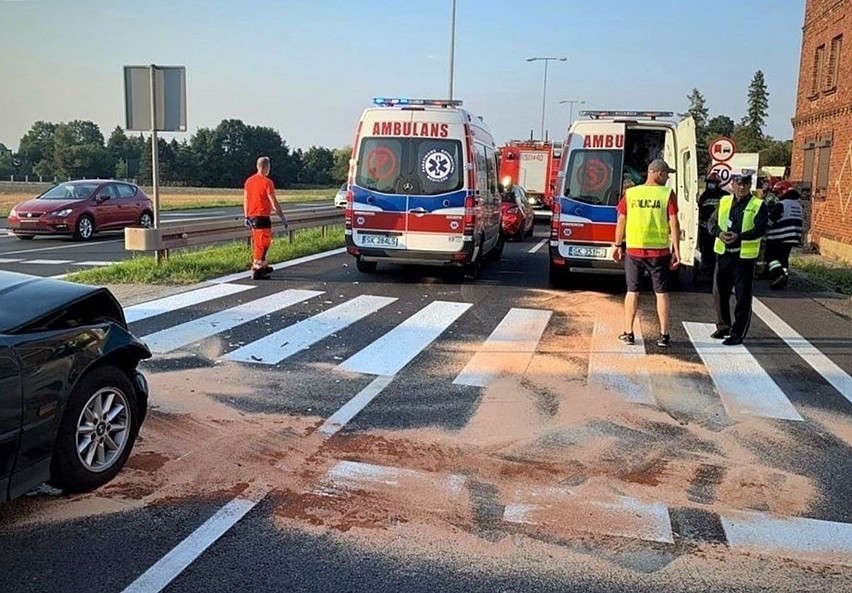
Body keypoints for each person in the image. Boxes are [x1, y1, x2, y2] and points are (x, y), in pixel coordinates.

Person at [612, 158, 681, 348]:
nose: (667, 178)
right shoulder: (667, 194)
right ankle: (664, 336)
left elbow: (621, 221)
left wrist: (617, 245)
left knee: (632, 291)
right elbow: (674, 223)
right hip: (659, 252)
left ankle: (628, 333)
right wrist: (676, 250)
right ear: (658, 173)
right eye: (666, 174)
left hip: (634, 250)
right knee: (661, 293)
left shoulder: (631, 193)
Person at [707, 170, 768, 346]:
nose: (742, 187)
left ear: (750, 185)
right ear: (732, 184)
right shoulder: (724, 201)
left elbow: (760, 229)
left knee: (742, 297)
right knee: (719, 293)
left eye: (745, 184)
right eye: (738, 183)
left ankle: (738, 332)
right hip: (724, 255)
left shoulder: (758, 204)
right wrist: (719, 233)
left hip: (744, 258)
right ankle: (723, 326)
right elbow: (712, 222)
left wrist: (739, 236)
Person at [244, 156, 287, 280]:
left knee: (258, 243)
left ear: (257, 166)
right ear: (267, 167)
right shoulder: (267, 182)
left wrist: (246, 216)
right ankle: (258, 268)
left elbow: (246, 200)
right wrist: (282, 217)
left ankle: (262, 265)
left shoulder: (249, 181)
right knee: (264, 244)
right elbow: (273, 202)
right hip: (262, 216)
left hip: (252, 217)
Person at [764, 180, 804, 290]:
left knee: (770, 257)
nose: (777, 196)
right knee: (783, 258)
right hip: (793, 236)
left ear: (783, 191)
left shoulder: (782, 204)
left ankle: (778, 274)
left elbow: (771, 221)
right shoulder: (798, 205)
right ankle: (784, 275)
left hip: (778, 236)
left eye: (777, 193)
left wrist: (764, 229)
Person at [697, 172, 729, 275]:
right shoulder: (704, 196)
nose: (711, 185)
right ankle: (706, 266)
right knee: (706, 249)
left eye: (713, 183)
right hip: (705, 229)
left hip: (720, 228)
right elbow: (700, 210)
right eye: (709, 182)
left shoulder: (724, 196)